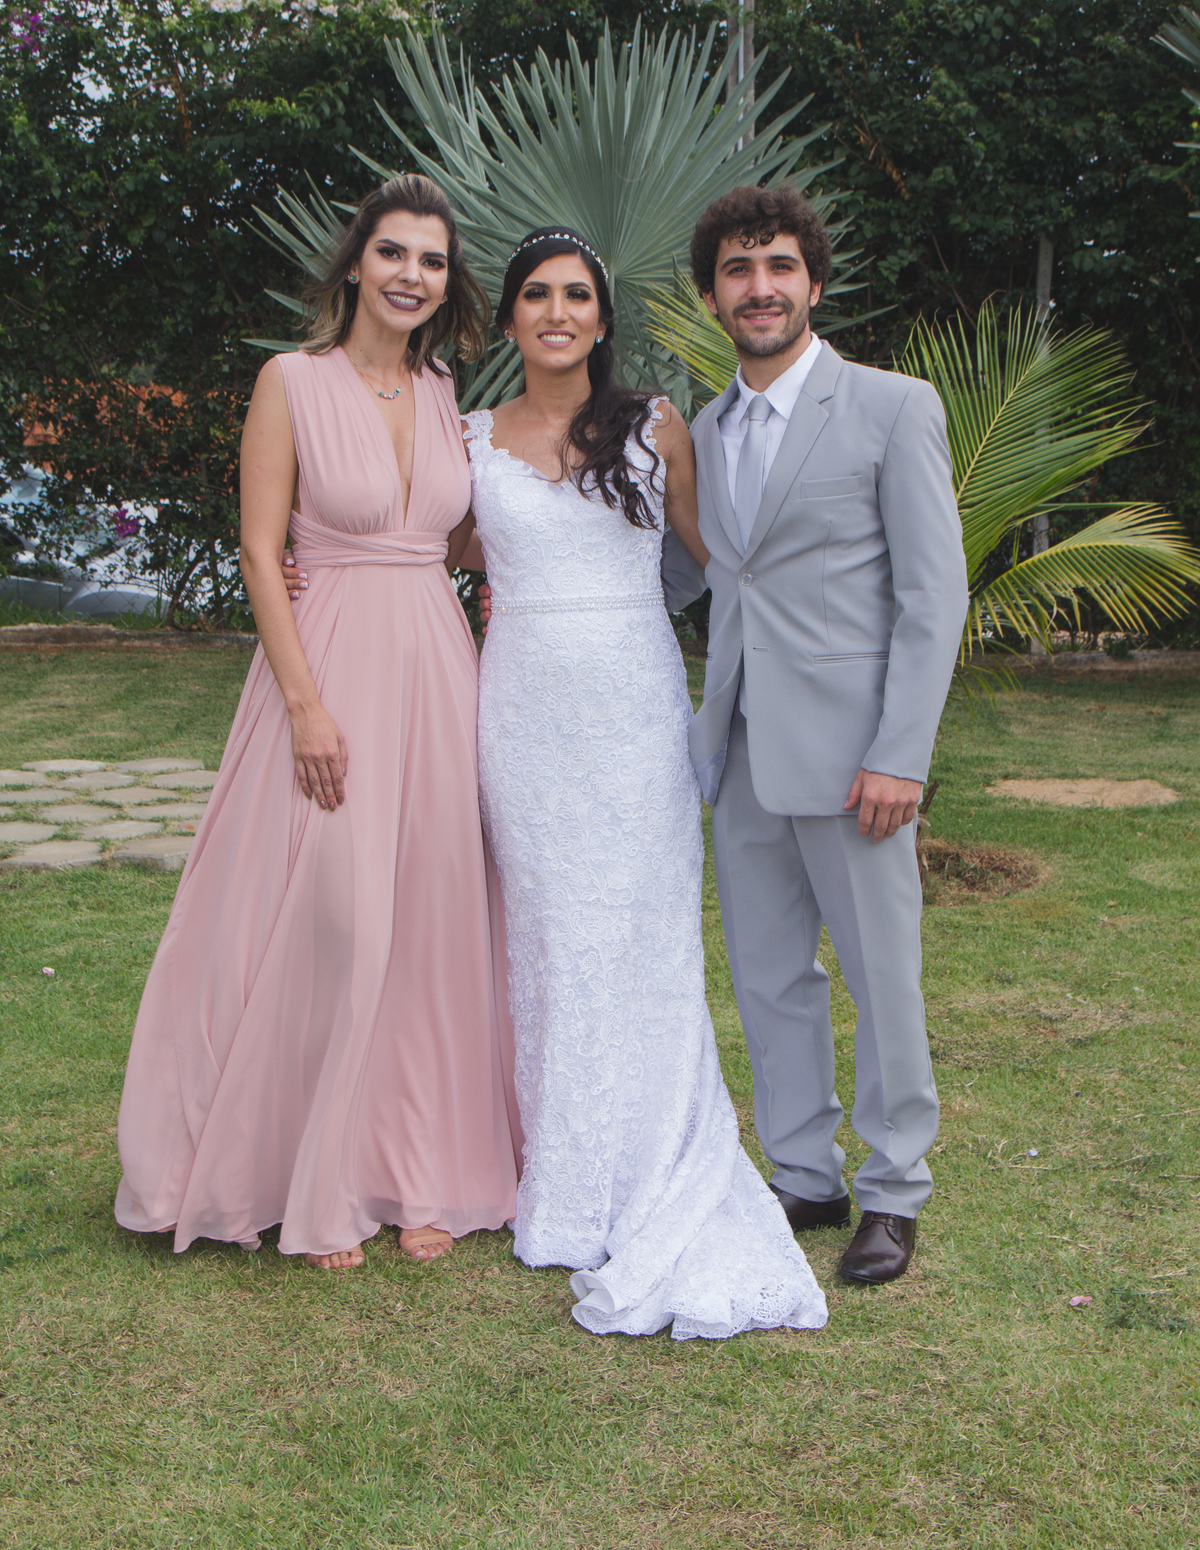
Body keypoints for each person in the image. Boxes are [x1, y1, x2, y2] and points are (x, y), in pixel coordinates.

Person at [114, 173, 522, 1270]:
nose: (411, 275)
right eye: (393, 252)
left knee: (431, 919)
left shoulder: (444, 393)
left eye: (432, 260)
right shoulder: (290, 380)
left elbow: (466, 538)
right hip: (327, 663)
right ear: (355, 263)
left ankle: (419, 1168)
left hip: (437, 668)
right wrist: (303, 705)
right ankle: (311, 1171)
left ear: (448, 282)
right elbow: (260, 550)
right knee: (333, 916)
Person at [465, 228, 828, 1339]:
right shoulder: (468, 438)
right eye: (537, 294)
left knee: (640, 940)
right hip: (521, 718)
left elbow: (725, 559)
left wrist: (831, 636)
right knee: (549, 940)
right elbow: (429, 544)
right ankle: (562, 1178)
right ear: (511, 318)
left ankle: (657, 1160)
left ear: (602, 318)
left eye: (578, 294)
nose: (558, 312)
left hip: (634, 718)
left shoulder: (656, 426)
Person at [661, 185, 969, 1285]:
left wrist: (901, 753)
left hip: (856, 761)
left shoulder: (892, 408)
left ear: (814, 284)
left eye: (779, 266)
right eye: (738, 271)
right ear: (712, 297)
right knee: (768, 973)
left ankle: (893, 1189)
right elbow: (701, 573)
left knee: (883, 976)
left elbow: (934, 595)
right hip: (742, 747)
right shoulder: (703, 430)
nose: (761, 288)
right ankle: (803, 1173)